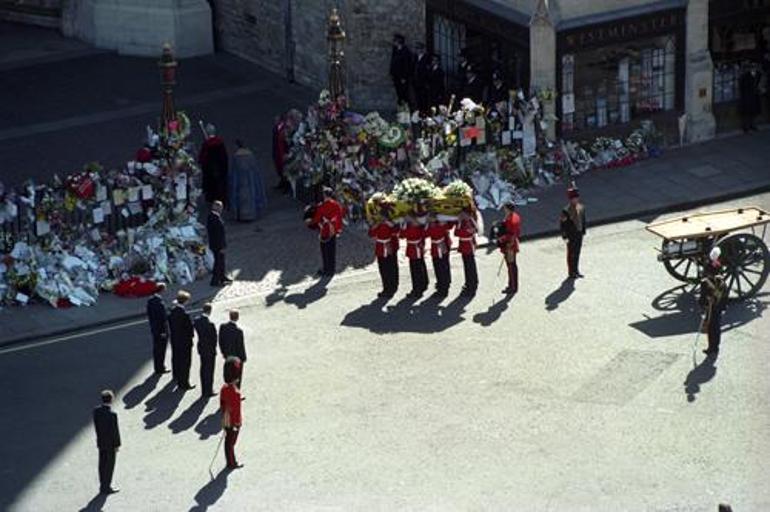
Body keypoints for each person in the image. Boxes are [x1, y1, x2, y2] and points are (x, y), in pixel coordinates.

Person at [228, 139, 267, 222]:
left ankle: (243, 215)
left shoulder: (236, 157)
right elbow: (255, 170)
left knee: (241, 198)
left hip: (240, 182)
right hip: (250, 180)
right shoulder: (250, 155)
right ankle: (252, 213)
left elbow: (234, 173)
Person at [311, 187, 345, 277]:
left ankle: (326, 269)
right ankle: (331, 269)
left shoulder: (321, 206)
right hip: (333, 231)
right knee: (332, 251)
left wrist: (310, 221)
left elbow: (316, 219)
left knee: (325, 251)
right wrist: (338, 229)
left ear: (325, 195)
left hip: (324, 231)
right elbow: (340, 217)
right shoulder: (337, 205)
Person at [700, 247, 727, 356]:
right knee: (716, 326)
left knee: (711, 328)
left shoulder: (705, 281)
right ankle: (715, 346)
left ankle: (712, 347)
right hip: (718, 305)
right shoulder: (721, 280)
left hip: (710, 306)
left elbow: (703, 296)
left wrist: (702, 305)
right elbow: (725, 293)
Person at [93, 390, 121, 495]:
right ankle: (106, 486)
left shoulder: (96, 411)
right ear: (111, 400)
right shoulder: (112, 415)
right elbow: (115, 431)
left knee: (102, 463)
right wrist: (117, 444)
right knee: (109, 465)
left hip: (101, 441)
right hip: (110, 444)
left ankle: (102, 483)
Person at [367, 214, 400, 298]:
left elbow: (396, 231)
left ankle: (392, 287)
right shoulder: (377, 222)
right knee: (383, 268)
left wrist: (389, 223)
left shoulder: (392, 221)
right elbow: (371, 234)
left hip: (390, 246)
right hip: (380, 247)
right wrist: (375, 225)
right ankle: (386, 287)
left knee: (391, 267)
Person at [168, 290, 195, 390]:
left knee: (176, 359)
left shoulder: (172, 312)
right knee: (185, 363)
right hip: (184, 342)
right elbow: (189, 329)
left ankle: (176, 376)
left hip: (175, 339)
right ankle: (184, 383)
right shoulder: (185, 314)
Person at [220, 357, 243, 469]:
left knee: (229, 442)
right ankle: (231, 462)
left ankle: (230, 461)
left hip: (227, 419)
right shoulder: (233, 392)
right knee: (230, 443)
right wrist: (236, 423)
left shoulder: (225, 388)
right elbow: (234, 409)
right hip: (233, 421)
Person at [560, 186, 587, 279]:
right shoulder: (566, 211)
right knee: (571, 253)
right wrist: (565, 236)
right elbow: (563, 225)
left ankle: (576, 270)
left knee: (577, 252)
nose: (575, 200)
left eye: (576, 198)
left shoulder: (581, 207)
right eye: (573, 198)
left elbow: (583, 220)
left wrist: (583, 230)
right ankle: (571, 272)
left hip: (579, 233)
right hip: (571, 235)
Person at [198, 123, 229, 205]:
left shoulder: (207, 144)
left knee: (211, 187)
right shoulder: (220, 143)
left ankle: (211, 200)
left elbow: (203, 157)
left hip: (209, 170)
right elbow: (224, 157)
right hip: (220, 168)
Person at [194, 303, 218, 398]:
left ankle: (204, 389)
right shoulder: (210, 324)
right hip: (209, 349)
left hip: (201, 347)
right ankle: (209, 390)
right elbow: (214, 339)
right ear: (210, 311)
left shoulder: (197, 320)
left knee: (203, 369)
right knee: (209, 370)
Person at [401, 215, 429, 298]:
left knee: (416, 269)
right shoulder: (409, 224)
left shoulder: (418, 225)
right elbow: (402, 235)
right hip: (412, 246)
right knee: (419, 266)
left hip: (416, 247)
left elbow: (424, 233)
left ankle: (417, 289)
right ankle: (423, 284)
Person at [146, 283, 169, 375]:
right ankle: (160, 368)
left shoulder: (150, 300)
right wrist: (163, 331)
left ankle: (157, 367)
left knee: (156, 349)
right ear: (162, 290)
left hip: (154, 329)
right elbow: (162, 319)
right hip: (160, 331)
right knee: (161, 350)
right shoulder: (159, 303)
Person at [426, 215, 453, 298]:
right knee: (438, 266)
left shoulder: (442, 220)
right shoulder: (432, 222)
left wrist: (439, 224)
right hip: (436, 245)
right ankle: (441, 284)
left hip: (442, 244)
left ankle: (444, 288)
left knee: (442, 266)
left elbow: (449, 226)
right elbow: (426, 233)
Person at [455, 207, 479, 297]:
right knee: (467, 266)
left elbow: (476, 229)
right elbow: (456, 232)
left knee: (470, 266)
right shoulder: (462, 221)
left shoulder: (470, 220)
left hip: (468, 245)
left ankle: (471, 285)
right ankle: (469, 283)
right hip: (464, 245)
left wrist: (466, 231)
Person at [219, 310, 246, 385]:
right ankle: (236, 393)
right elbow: (240, 346)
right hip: (236, 357)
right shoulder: (238, 331)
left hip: (227, 355)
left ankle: (229, 392)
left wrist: (224, 353)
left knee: (228, 375)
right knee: (237, 376)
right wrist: (243, 358)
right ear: (237, 318)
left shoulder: (223, 327)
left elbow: (221, 341)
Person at [498, 202, 521, 295]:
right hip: (511, 244)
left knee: (511, 266)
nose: (504, 210)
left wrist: (501, 239)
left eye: (505, 209)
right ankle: (512, 284)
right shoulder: (514, 216)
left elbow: (511, 234)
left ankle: (513, 286)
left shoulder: (512, 220)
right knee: (511, 265)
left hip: (510, 246)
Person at [207, 200, 231, 287]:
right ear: (216, 207)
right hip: (217, 245)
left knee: (221, 262)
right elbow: (217, 234)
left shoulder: (213, 217)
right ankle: (215, 281)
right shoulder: (214, 218)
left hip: (217, 244)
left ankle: (222, 277)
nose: (221, 209)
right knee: (218, 262)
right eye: (220, 207)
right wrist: (221, 246)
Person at [390, 34, 413, 108]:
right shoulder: (395, 50)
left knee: (404, 93)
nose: (394, 42)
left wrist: (404, 77)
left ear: (399, 41)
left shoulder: (405, 51)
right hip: (396, 75)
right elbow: (393, 61)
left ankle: (406, 109)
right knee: (399, 93)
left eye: (395, 40)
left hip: (403, 77)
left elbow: (407, 65)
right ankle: (401, 108)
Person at [739, 64, 761, 132]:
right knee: (747, 112)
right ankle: (746, 126)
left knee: (754, 112)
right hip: (747, 96)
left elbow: (759, 83)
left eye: (755, 68)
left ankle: (753, 125)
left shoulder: (758, 74)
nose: (754, 69)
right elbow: (742, 86)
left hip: (755, 95)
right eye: (752, 68)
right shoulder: (745, 76)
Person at [272, 115, 290, 193]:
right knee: (279, 167)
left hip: (283, 152)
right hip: (277, 152)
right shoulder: (276, 129)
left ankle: (286, 186)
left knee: (285, 169)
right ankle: (282, 181)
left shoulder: (284, 130)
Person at [412, 41, 431, 113]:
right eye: (416, 49)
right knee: (418, 98)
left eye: (419, 48)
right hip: (416, 82)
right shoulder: (415, 58)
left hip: (423, 82)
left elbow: (427, 71)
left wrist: (426, 81)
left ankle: (424, 112)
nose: (417, 50)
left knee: (424, 99)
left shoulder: (426, 58)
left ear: (422, 49)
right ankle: (419, 112)